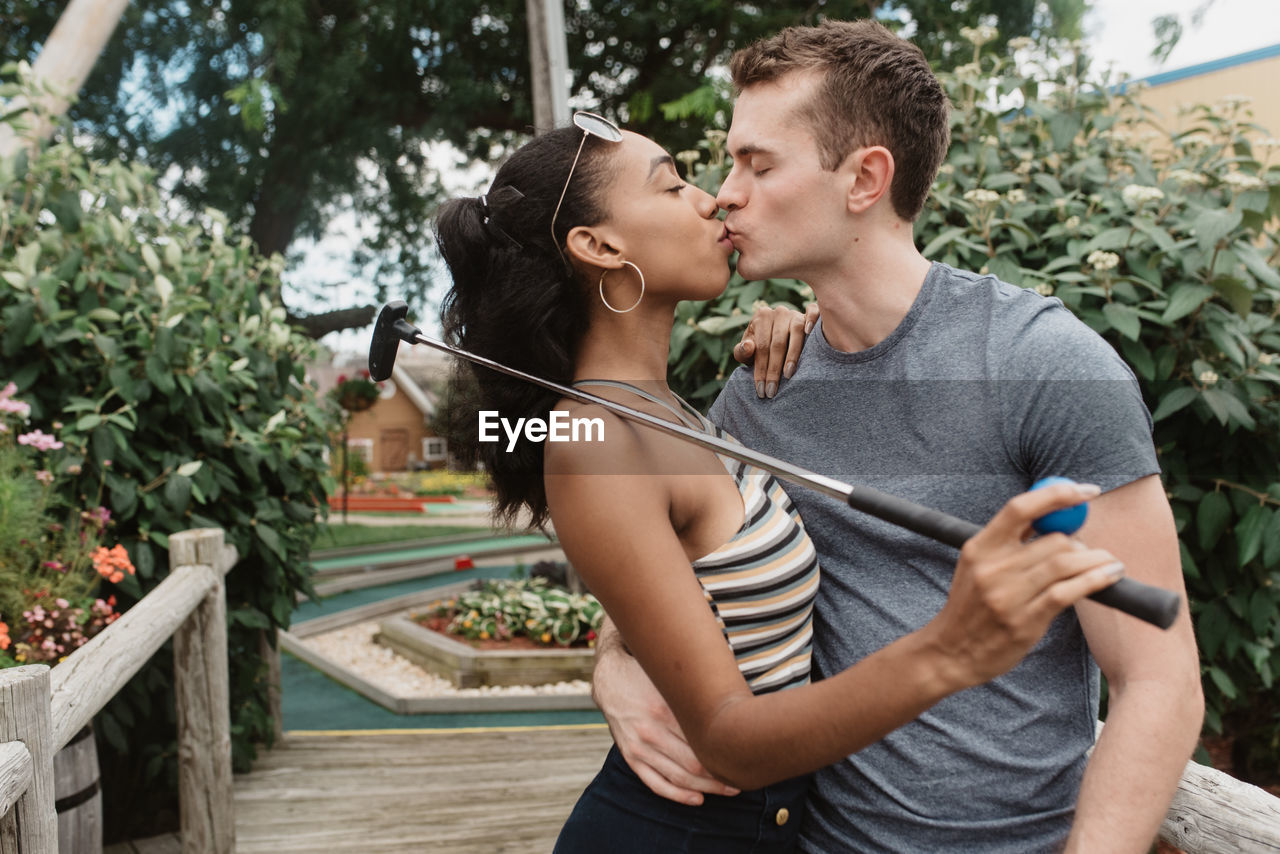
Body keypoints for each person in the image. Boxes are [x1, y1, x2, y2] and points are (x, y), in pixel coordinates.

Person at [434, 110, 1130, 853]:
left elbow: (685, 587)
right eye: (672, 187)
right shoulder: (597, 437)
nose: (713, 199)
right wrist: (950, 649)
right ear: (600, 246)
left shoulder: (680, 411)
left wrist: (808, 330)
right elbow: (729, 740)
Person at [590, 18, 1205, 854]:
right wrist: (614, 668)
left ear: (865, 179)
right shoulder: (758, 393)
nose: (724, 192)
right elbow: (669, 584)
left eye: (758, 164)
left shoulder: (1045, 366)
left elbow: (1158, 677)